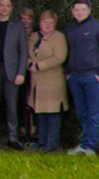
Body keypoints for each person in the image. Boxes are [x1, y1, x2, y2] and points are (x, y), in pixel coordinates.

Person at [63, 0, 99, 156]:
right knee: (82, 112)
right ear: (72, 11)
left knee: (93, 113)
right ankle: (84, 144)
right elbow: (66, 53)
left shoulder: (98, 27)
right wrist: (67, 73)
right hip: (75, 78)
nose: (80, 13)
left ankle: (91, 147)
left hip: (93, 77)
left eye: (83, 10)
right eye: (77, 10)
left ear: (89, 10)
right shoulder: (70, 30)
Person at [0, 0, 29, 150]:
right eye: (1, 5)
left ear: (11, 8)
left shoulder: (17, 26)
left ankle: (13, 137)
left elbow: (23, 50)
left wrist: (21, 73)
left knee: (12, 107)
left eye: (7, 5)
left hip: (11, 72)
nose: (4, 8)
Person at [27, 10, 68, 151]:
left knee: (52, 113)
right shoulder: (33, 36)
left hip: (53, 82)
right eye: (45, 22)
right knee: (39, 113)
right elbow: (26, 53)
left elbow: (59, 57)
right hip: (37, 83)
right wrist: (28, 63)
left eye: (51, 22)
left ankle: (51, 144)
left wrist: (39, 65)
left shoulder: (59, 37)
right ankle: (40, 141)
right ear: (39, 23)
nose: (48, 25)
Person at [17, 7, 38, 144]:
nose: (25, 21)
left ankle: (34, 129)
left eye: (28, 19)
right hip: (19, 70)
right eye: (23, 19)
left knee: (32, 100)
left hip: (33, 71)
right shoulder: (16, 32)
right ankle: (22, 128)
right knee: (21, 100)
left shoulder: (36, 35)